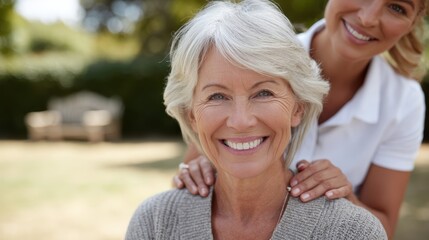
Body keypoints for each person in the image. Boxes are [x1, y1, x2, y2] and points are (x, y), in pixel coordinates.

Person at [126, 1, 387, 239]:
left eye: (263, 93)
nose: (241, 121)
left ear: (298, 108)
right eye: (217, 96)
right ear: (191, 115)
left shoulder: (354, 232)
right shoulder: (155, 223)